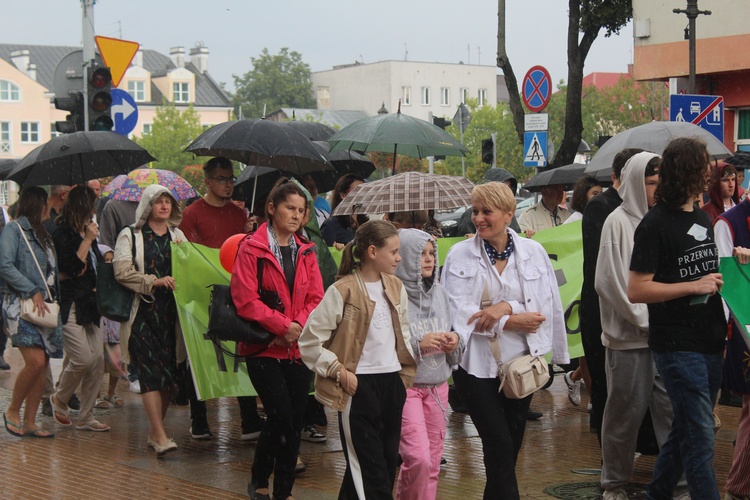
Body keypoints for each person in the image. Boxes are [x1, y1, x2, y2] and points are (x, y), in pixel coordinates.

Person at [441, 182, 569, 499]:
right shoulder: (460, 255)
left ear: (509, 214)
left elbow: (544, 307)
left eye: (487, 211)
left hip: (520, 365)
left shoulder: (533, 252)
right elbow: (459, 311)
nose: (479, 218)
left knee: (510, 444)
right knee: (497, 442)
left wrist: (505, 306)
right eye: (475, 211)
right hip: (473, 366)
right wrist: (510, 320)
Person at [628, 137, 727, 500]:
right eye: (705, 165)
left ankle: (657, 494)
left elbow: (712, 279)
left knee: (687, 427)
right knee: (700, 436)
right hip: (676, 345)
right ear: (689, 170)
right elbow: (636, 289)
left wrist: (738, 262)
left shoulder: (701, 217)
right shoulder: (653, 225)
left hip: (711, 341)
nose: (711, 172)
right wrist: (689, 286)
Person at [299, 220, 417, 499]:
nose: (399, 257)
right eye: (394, 251)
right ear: (373, 252)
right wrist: (340, 372)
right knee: (370, 472)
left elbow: (405, 332)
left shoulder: (397, 286)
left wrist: (402, 377)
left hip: (391, 384)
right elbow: (308, 342)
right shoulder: (343, 290)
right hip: (357, 387)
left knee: (385, 466)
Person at [595, 152, 685, 499]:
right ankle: (614, 482)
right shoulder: (617, 223)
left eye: (660, 183)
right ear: (634, 182)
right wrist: (647, 320)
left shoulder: (664, 219)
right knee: (623, 417)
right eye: (649, 183)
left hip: (663, 339)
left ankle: (677, 483)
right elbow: (612, 283)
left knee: (671, 413)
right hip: (628, 341)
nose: (656, 190)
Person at [231, 179, 324, 500]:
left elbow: (316, 298)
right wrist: (282, 326)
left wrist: (297, 325)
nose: (296, 215)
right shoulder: (251, 247)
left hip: (298, 349)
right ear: (272, 208)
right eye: (290, 208)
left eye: (301, 210)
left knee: (294, 421)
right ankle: (259, 476)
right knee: (281, 415)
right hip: (263, 347)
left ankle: (282, 491)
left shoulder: (306, 250)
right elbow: (245, 299)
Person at [178, 156, 265, 442]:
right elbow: (188, 255)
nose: (229, 185)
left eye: (231, 179)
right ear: (207, 181)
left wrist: (251, 234)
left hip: (237, 291)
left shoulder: (240, 215)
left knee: (241, 351)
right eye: (222, 179)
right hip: (205, 293)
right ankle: (199, 418)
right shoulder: (192, 213)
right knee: (201, 355)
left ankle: (249, 419)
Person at [114, 184, 187, 457]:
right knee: (149, 373)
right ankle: (158, 434)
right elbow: (122, 271)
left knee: (170, 376)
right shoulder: (130, 235)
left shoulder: (178, 235)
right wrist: (153, 281)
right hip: (142, 313)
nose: (165, 206)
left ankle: (156, 430)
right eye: (159, 201)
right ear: (148, 206)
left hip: (172, 316)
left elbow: (189, 267)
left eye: (168, 201)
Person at [394, 228, 464, 500]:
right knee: (418, 458)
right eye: (420, 254)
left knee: (433, 462)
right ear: (405, 256)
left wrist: (455, 340)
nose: (428, 259)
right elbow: (383, 347)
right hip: (407, 386)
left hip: (438, 387)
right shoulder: (394, 295)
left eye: (432, 253)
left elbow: (458, 345)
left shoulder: (442, 294)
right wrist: (418, 344)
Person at [579, 147, 643, 440]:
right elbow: (601, 268)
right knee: (606, 379)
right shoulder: (603, 207)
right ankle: (606, 440)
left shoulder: (643, 208)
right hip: (602, 303)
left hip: (631, 302)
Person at [0, 186, 62, 438]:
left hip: (44, 307)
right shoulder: (13, 230)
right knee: (35, 361)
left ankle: (30, 421)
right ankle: (12, 410)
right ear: (37, 204)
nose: (50, 206)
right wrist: (31, 290)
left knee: (43, 362)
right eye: (46, 202)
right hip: (20, 304)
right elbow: (4, 264)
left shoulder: (44, 234)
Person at [49, 186, 110, 432]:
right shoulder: (63, 233)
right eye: (90, 206)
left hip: (90, 303)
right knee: (82, 358)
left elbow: (89, 266)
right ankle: (59, 398)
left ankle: (86, 416)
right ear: (82, 208)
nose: (93, 212)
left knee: (97, 362)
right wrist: (86, 241)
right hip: (71, 302)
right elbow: (72, 268)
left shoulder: (87, 232)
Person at [713, 196, 750, 500]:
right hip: (744, 326)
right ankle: (738, 487)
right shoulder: (729, 222)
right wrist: (723, 337)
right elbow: (724, 284)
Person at [561, 175, 603, 406]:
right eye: (594, 194)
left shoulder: (601, 218)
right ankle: (595, 399)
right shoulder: (573, 222)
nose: (599, 198)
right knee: (584, 348)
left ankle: (575, 377)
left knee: (590, 349)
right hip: (576, 291)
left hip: (590, 288)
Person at [455, 167, 521, 236]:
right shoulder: (468, 216)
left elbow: (516, 235)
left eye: (508, 189)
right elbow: (463, 242)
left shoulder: (508, 214)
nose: (479, 219)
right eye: (475, 212)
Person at [320, 174, 365, 249]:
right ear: (343, 195)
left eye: (363, 191)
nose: (361, 195)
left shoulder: (365, 225)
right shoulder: (331, 225)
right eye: (356, 191)